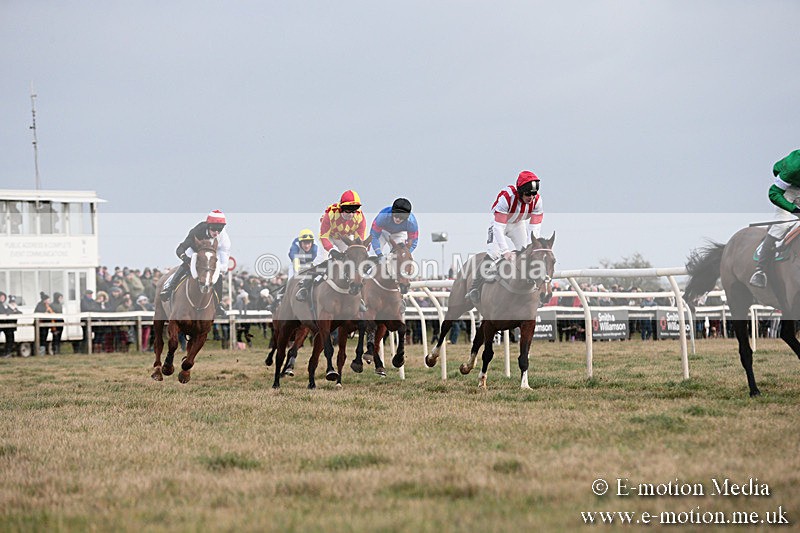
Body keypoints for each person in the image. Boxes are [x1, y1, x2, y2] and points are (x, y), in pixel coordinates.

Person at [467, 170, 544, 305]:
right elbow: (498, 228)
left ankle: (531, 289)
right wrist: (506, 251)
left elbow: (534, 229)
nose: (531, 197)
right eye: (528, 194)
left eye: (533, 193)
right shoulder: (506, 197)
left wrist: (532, 247)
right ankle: (475, 288)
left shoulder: (537, 201)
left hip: (517, 224)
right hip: (500, 224)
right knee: (494, 253)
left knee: (527, 253)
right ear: (520, 191)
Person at [296, 190, 367, 302]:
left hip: (346, 238)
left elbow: (358, 242)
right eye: (348, 211)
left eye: (354, 211)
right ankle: (305, 286)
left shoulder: (360, 218)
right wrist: (332, 250)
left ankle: (359, 295)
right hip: (329, 236)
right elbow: (324, 236)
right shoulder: (330, 215)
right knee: (321, 260)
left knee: (354, 260)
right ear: (341, 208)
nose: (351, 214)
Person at [751, 149, 800, 288]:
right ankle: (760, 271)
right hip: (787, 190)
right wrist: (794, 210)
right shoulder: (794, 165)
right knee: (781, 225)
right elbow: (774, 193)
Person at [161, 209, 231, 301]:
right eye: (214, 229)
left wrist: (222, 267)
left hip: (212, 253)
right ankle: (169, 289)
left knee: (219, 274)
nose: (216, 233)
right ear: (208, 225)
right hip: (195, 252)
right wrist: (186, 260)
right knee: (185, 266)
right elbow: (180, 249)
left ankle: (218, 303)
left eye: (219, 229)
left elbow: (224, 252)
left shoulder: (223, 236)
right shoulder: (197, 231)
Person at [0, 292, 21, 357]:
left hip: (6, 325)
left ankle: (8, 352)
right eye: (1, 297)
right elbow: (3, 312)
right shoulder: (3, 306)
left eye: (3, 297)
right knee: (9, 337)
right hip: (2, 324)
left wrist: (14, 310)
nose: (2, 298)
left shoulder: (5, 305)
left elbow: (18, 312)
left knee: (10, 337)